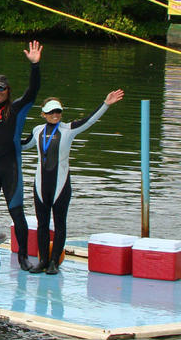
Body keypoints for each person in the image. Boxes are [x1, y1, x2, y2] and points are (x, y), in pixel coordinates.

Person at [22, 90, 124, 274]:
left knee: (60, 224)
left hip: (61, 186)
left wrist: (106, 104)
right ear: (43, 114)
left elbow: (90, 120)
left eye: (58, 111)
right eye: (51, 112)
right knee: (42, 224)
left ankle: (54, 262)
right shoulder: (37, 131)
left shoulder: (69, 129)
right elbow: (21, 145)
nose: (55, 115)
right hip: (40, 186)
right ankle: (43, 260)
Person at [0, 40, 42, 271]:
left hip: (10, 168)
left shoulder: (17, 108)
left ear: (7, 91)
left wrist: (35, 66)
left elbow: (33, 91)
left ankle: (23, 257)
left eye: (1, 89)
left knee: (17, 212)